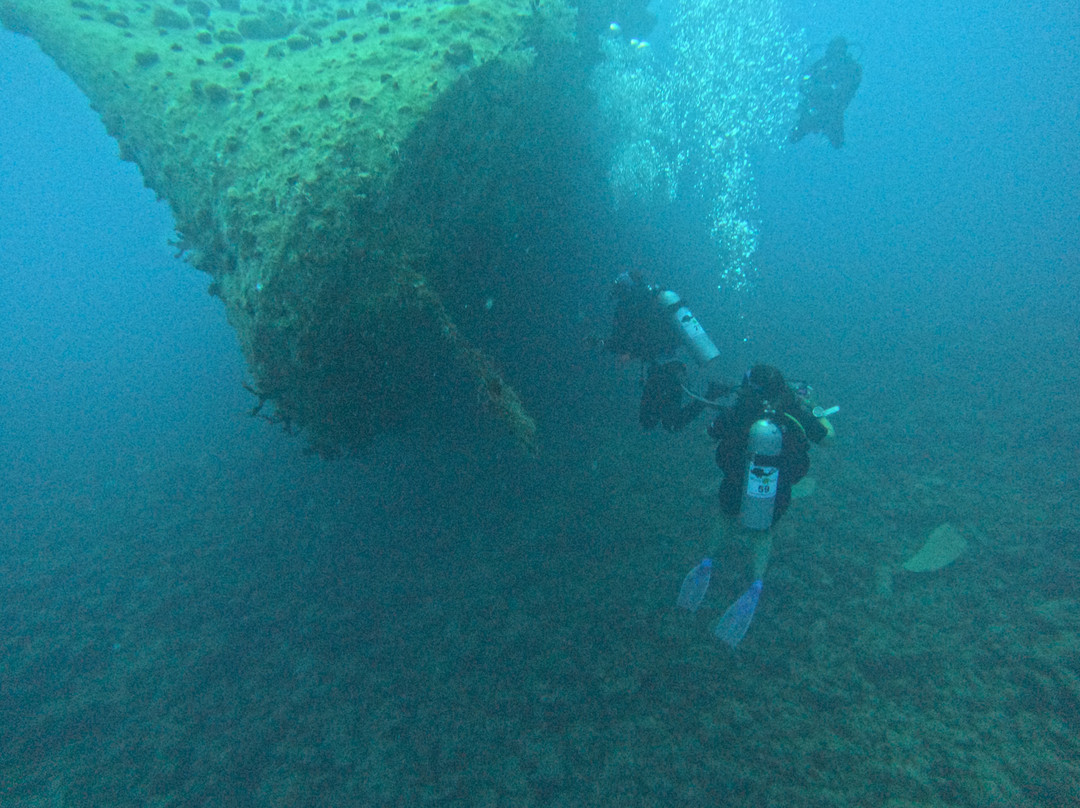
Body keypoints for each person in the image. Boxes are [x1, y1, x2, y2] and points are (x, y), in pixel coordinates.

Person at [708, 364, 829, 528]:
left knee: (724, 519)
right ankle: (758, 553)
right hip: (776, 491)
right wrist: (814, 407)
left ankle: (711, 553)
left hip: (734, 483)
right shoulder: (794, 414)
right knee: (764, 533)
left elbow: (710, 435)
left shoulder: (737, 411)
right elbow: (828, 439)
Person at [605, 272, 725, 432]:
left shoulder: (641, 308)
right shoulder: (652, 303)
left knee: (671, 423)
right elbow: (631, 342)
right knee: (649, 421)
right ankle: (711, 393)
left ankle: (712, 394)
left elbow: (653, 341)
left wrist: (631, 354)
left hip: (667, 370)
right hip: (663, 368)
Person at [789, 36, 862, 149]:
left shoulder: (852, 68)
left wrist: (832, 91)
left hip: (833, 112)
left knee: (838, 143)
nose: (836, 54)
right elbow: (802, 84)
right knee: (793, 137)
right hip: (814, 108)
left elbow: (852, 86)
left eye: (838, 50)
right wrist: (816, 90)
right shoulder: (820, 65)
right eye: (834, 49)